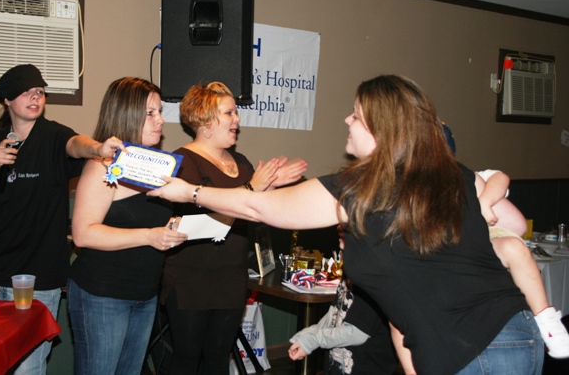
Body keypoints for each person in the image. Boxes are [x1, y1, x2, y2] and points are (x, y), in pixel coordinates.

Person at [150, 74, 545, 374]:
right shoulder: (453, 173)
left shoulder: (360, 188)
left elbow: (257, 209)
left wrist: (190, 192)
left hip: (472, 349)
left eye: (355, 114)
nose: (346, 119)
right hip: (518, 332)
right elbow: (403, 306)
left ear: (378, 127)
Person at [0, 64, 125, 375]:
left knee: (28, 367)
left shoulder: (53, 135)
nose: (35, 97)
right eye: (26, 92)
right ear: (7, 100)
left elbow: (75, 144)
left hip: (37, 278)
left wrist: (97, 147)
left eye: (39, 91)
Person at [159, 82, 307, 375]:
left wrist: (271, 187)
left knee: (218, 360)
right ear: (206, 122)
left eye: (236, 112)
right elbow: (204, 217)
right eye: (229, 113)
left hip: (231, 279)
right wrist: (253, 188)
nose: (237, 119)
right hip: (191, 280)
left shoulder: (240, 162)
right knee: (187, 360)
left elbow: (252, 209)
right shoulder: (183, 162)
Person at [66, 78, 189, 375]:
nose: (161, 120)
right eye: (150, 113)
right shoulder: (102, 165)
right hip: (102, 294)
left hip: (145, 292)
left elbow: (148, 220)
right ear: (127, 114)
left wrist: (172, 228)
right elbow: (83, 234)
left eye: (160, 112)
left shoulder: (158, 166)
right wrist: (149, 236)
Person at [443, 124, 569, 359]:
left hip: (488, 239)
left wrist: (484, 203)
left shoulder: (471, 177)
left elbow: (501, 177)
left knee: (515, 248)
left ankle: (546, 319)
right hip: (453, 256)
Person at [288, 228, 398, 375]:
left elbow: (355, 332)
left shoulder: (374, 277)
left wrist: (313, 340)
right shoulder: (352, 268)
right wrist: (310, 333)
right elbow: (334, 312)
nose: (339, 228)